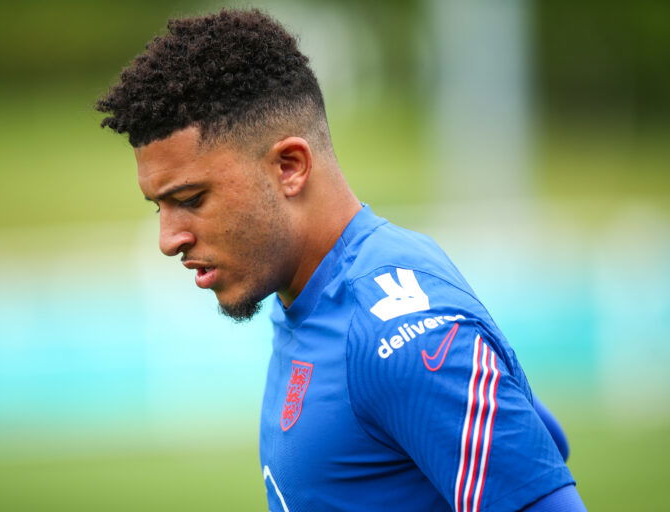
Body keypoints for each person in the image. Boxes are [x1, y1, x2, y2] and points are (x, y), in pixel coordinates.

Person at [96, 8, 586, 511]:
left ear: (289, 167)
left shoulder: (401, 336)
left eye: (192, 199)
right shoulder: (314, 297)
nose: (168, 239)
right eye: (160, 207)